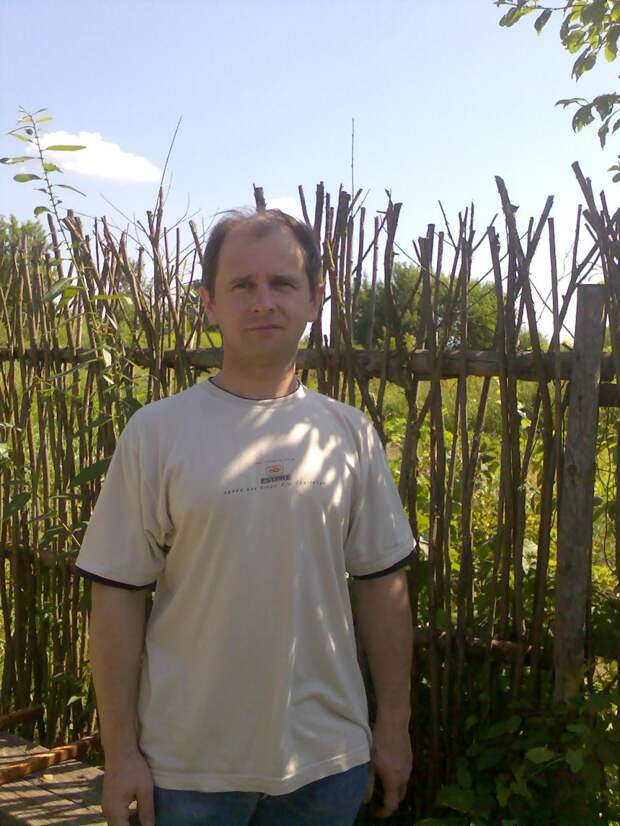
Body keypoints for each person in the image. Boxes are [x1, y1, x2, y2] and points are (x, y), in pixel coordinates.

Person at [76, 208, 414, 826]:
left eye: (282, 283)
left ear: (314, 298)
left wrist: (393, 728)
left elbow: (381, 587)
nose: (263, 301)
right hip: (187, 771)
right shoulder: (157, 434)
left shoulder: (348, 434)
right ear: (209, 302)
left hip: (326, 765)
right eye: (241, 285)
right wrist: (120, 753)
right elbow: (117, 596)